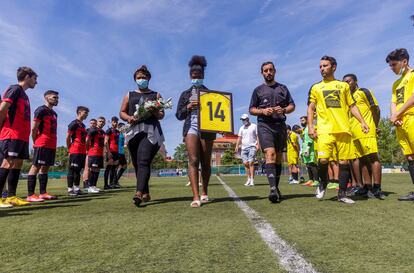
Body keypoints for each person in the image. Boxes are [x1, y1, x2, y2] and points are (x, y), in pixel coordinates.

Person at [307, 55, 369, 204]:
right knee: (323, 160)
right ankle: (323, 182)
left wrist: (362, 121)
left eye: (325, 66)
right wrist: (310, 126)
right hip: (324, 130)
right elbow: (310, 108)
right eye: (320, 66)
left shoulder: (343, 86)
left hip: (343, 129)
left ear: (333, 67)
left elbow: (352, 106)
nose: (322, 69)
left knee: (344, 162)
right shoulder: (316, 87)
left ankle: (342, 194)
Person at [249, 61, 295, 203]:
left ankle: (276, 186)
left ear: (275, 71)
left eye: (270, 70)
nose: (268, 72)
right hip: (264, 125)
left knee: (279, 158)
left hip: (280, 125)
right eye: (265, 70)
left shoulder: (283, 88)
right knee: (270, 154)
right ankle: (273, 189)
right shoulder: (258, 90)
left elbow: (292, 105)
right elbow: (251, 109)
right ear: (262, 73)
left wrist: (284, 110)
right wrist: (262, 111)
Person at [120, 65, 164, 206]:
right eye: (139, 78)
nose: (141, 80)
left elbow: (161, 115)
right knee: (137, 163)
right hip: (133, 131)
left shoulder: (156, 95)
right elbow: (122, 112)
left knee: (144, 160)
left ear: (149, 78)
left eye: (144, 77)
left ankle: (138, 193)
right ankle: (145, 192)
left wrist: (154, 111)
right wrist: (128, 118)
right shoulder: (129, 95)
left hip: (150, 131)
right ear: (135, 79)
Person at [176, 55, 215, 208]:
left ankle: (204, 191)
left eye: (199, 75)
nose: (196, 77)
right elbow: (179, 115)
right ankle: (195, 196)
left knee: (206, 162)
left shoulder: (211, 94)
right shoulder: (185, 94)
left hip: (207, 129)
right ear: (190, 76)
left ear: (203, 76)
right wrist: (188, 108)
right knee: (193, 160)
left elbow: (219, 115)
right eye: (194, 75)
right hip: (190, 127)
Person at [0, 67, 37, 208]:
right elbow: (2, 109)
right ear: (27, 76)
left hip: (22, 136)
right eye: (35, 78)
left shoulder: (24, 95)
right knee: (6, 163)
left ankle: (12, 196)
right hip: (11, 134)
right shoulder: (14, 89)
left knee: (18, 164)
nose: (36, 82)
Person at [343, 73, 383, 199]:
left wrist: (375, 126)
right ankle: (366, 187)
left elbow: (376, 109)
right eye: (344, 82)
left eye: (348, 81)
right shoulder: (348, 98)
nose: (347, 84)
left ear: (355, 81)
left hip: (366, 131)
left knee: (372, 158)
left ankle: (377, 188)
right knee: (363, 161)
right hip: (354, 134)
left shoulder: (363, 92)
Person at [386, 48, 414, 201]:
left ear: (404, 62)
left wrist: (398, 113)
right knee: (410, 156)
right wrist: (394, 116)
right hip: (401, 123)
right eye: (390, 65)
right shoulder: (396, 83)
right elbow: (393, 101)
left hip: (412, 118)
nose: (392, 68)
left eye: (394, 64)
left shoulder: (413, 74)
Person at [26, 90, 59, 202]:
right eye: (54, 97)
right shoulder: (41, 110)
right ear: (46, 97)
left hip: (52, 144)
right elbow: (34, 128)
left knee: (45, 168)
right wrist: (36, 142)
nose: (56, 99)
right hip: (42, 143)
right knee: (36, 167)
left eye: (57, 98)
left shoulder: (54, 114)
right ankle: (30, 195)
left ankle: (43, 193)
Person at [66, 106, 89, 196]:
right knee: (72, 170)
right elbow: (68, 137)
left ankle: (76, 188)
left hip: (82, 151)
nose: (86, 115)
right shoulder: (73, 123)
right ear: (79, 112)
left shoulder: (82, 125)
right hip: (75, 150)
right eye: (85, 112)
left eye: (87, 113)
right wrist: (69, 149)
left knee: (78, 171)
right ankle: (70, 189)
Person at [235, 114, 258, 187]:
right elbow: (239, 138)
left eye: (244, 119)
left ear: (248, 119)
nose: (243, 121)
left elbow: (258, 136)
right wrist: (237, 146)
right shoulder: (241, 128)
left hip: (252, 146)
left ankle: (252, 180)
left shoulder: (254, 126)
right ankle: (248, 179)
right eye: (242, 120)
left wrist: (258, 145)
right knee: (245, 164)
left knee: (251, 162)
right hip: (243, 148)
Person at [296, 119, 319, 187]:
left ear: (307, 120)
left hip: (310, 149)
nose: (301, 122)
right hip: (305, 149)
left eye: (303, 120)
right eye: (300, 121)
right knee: (308, 165)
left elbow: (311, 138)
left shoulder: (310, 128)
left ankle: (317, 180)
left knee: (312, 164)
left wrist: (308, 148)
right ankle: (310, 180)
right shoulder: (305, 129)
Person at [86, 116, 106, 193]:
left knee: (97, 170)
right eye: (100, 121)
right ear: (97, 122)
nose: (101, 123)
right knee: (93, 169)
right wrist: (87, 149)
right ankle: (90, 187)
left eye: (103, 121)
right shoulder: (93, 130)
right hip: (93, 152)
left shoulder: (103, 132)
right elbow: (87, 140)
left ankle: (94, 186)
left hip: (100, 153)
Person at [104, 116, 120, 189]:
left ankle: (111, 183)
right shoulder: (109, 131)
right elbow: (106, 142)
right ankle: (105, 185)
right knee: (108, 168)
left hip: (116, 152)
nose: (115, 123)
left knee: (114, 168)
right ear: (111, 122)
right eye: (114, 122)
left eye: (116, 122)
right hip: (110, 151)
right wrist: (108, 152)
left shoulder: (118, 132)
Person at [82, 118, 97, 189]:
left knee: (92, 168)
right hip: (88, 151)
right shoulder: (87, 131)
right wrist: (86, 149)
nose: (92, 124)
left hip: (94, 152)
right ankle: (85, 183)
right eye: (91, 123)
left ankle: (90, 183)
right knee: (87, 167)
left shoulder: (96, 131)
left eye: (94, 123)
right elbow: (85, 140)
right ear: (89, 124)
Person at [114, 122, 127, 187]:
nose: (124, 128)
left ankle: (116, 181)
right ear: (120, 127)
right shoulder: (117, 134)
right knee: (116, 167)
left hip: (122, 152)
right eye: (123, 127)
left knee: (124, 166)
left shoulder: (122, 134)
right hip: (118, 152)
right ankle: (114, 182)